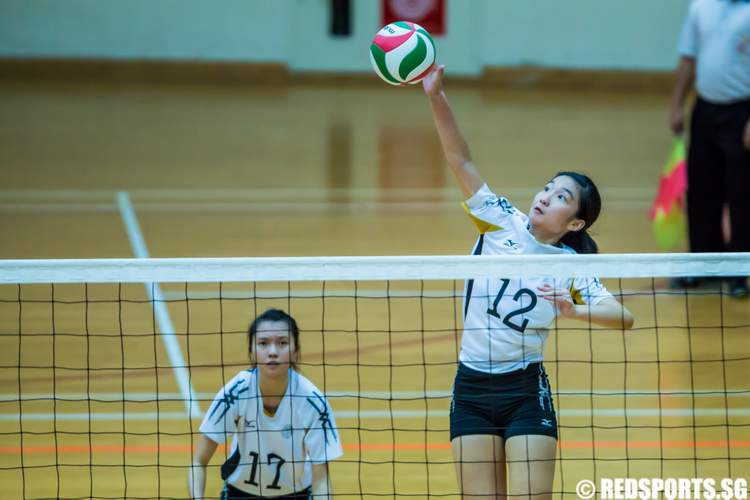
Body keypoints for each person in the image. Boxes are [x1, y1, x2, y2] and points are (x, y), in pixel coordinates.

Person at [422, 65, 635, 499]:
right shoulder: (498, 221)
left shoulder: (569, 264)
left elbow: (624, 317)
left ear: (574, 221)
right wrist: (435, 96)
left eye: (561, 197)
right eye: (547, 187)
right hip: (471, 389)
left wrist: (575, 311)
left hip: (525, 392)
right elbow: (459, 158)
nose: (545, 196)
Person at [189, 308, 342, 499]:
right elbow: (199, 461)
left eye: (282, 343)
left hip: (297, 495)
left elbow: (321, 480)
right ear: (251, 352)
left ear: (295, 352)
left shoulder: (312, 402)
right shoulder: (236, 393)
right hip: (240, 494)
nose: (272, 352)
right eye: (263, 343)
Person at [669, 0, 750, 298]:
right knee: (702, 191)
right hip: (704, 110)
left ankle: (739, 272)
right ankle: (703, 265)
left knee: (741, 194)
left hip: (741, 113)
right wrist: (677, 105)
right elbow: (688, 58)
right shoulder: (701, 6)